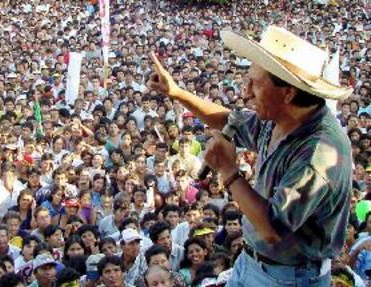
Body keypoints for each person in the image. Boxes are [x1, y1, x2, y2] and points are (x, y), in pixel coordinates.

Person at [149, 25, 353, 286]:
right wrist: (176, 92)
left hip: (288, 277)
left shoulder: (318, 154)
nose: (244, 93)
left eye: (255, 85)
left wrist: (228, 170)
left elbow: (273, 229)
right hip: (253, 262)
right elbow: (228, 119)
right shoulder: (280, 117)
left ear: (288, 93)